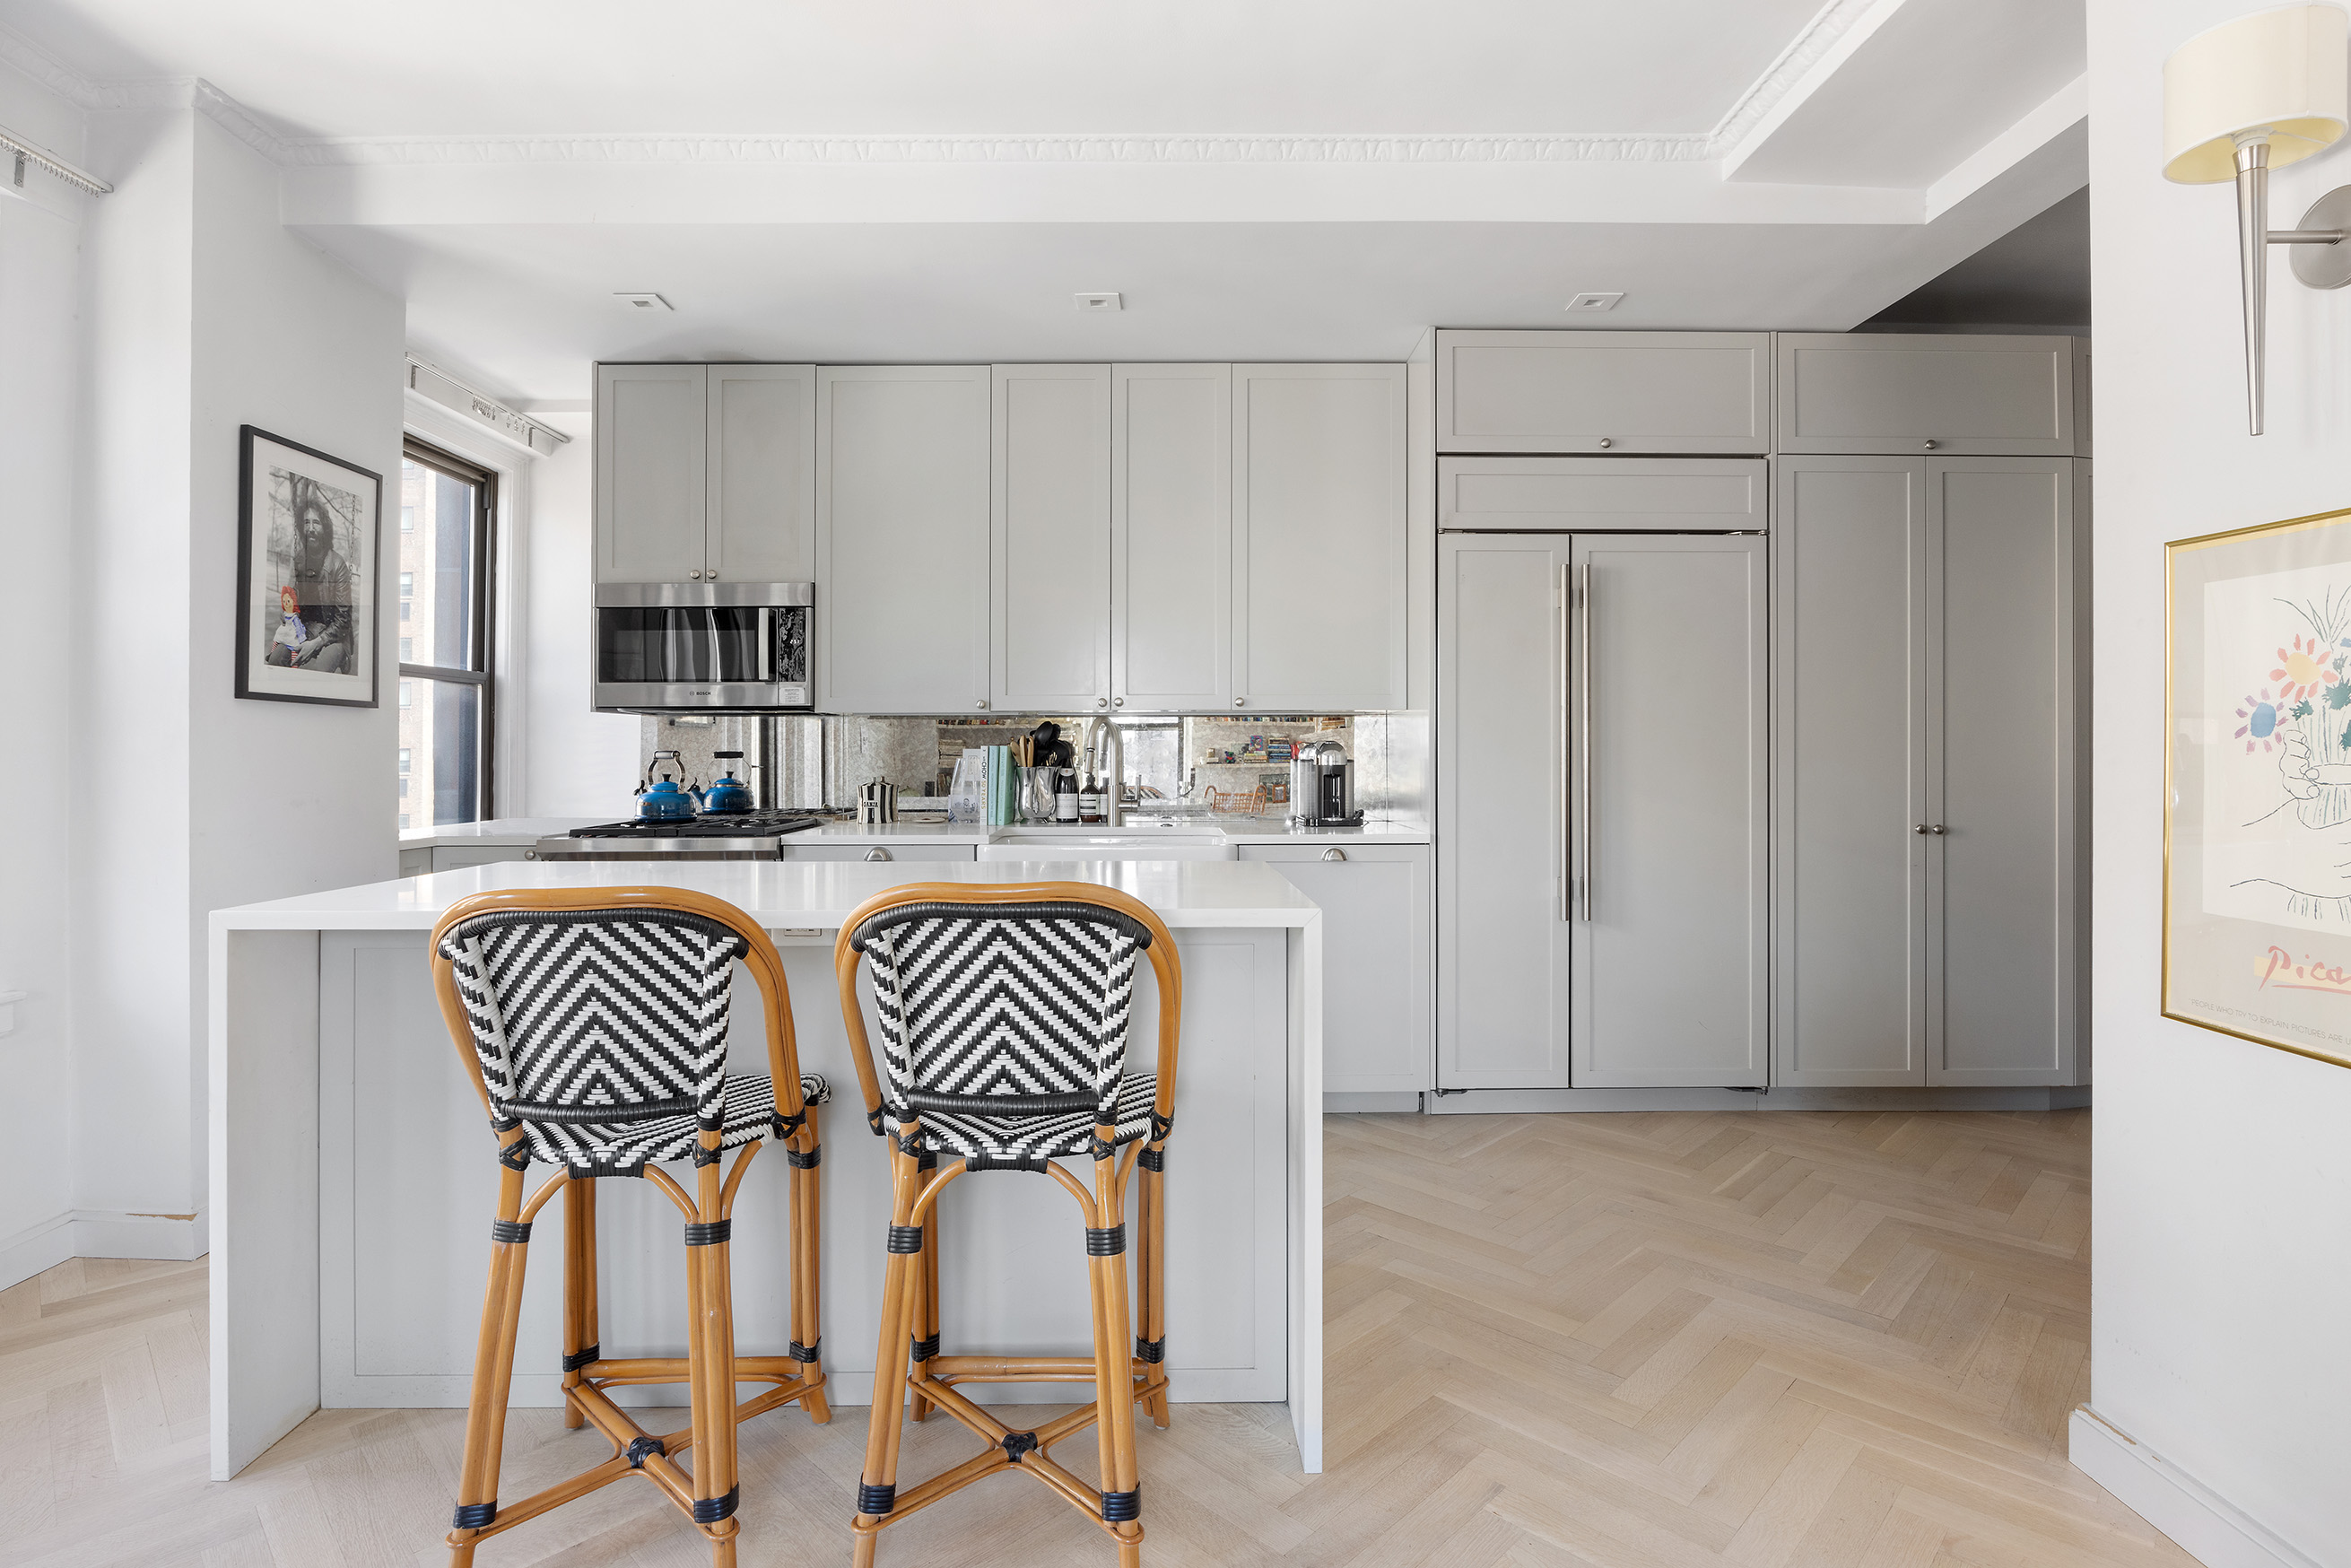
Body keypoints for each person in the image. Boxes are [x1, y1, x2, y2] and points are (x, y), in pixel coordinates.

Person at [283, 479, 353, 673]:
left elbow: (343, 621)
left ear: (324, 528)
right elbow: (294, 601)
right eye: (306, 523)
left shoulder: (337, 564)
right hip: (306, 630)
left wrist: (315, 643)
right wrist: (290, 614)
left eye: (316, 523)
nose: (311, 528)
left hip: (334, 636)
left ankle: (341, 659)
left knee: (318, 672)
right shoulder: (300, 560)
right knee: (276, 658)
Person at [265, 585, 309, 666]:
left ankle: (295, 664)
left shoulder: (295, 618)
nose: (286, 604)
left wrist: (302, 638)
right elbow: (291, 590)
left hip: (295, 632)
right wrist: (284, 611)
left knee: (294, 647)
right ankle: (271, 653)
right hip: (286, 629)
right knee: (277, 639)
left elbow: (299, 628)